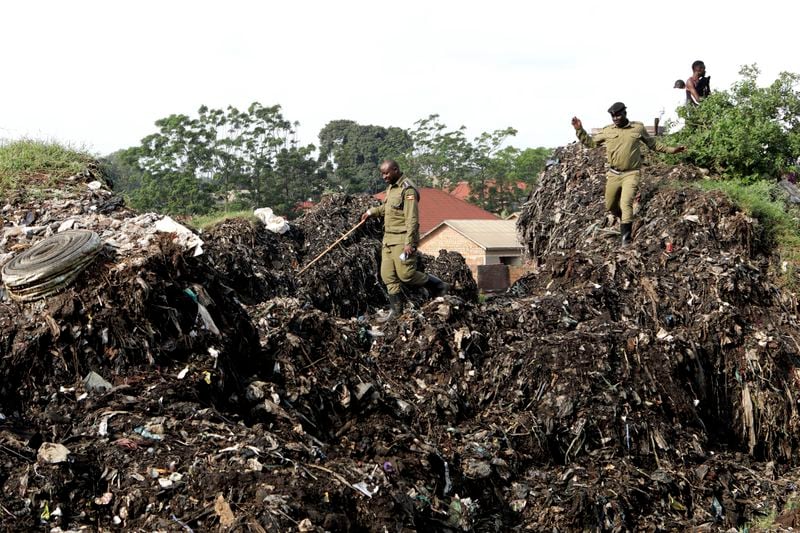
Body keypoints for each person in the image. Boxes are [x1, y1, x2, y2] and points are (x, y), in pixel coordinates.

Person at [571, 102, 686, 245]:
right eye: (613, 116)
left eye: (618, 115)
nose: (616, 118)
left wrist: (673, 150)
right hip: (613, 174)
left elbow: (653, 144)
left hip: (631, 173)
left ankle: (626, 240)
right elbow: (591, 143)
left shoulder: (637, 128)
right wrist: (579, 130)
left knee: (626, 204)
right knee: (610, 205)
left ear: (625, 113)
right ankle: (625, 219)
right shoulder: (608, 131)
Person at [361, 159, 449, 322]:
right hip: (388, 240)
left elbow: (412, 219)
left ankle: (439, 285)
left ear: (396, 170)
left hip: (402, 240)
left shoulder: (407, 190)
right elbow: (388, 209)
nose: (384, 176)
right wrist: (371, 212)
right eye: (382, 173)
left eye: (387, 173)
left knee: (406, 275)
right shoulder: (391, 188)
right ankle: (396, 312)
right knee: (387, 275)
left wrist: (410, 243)